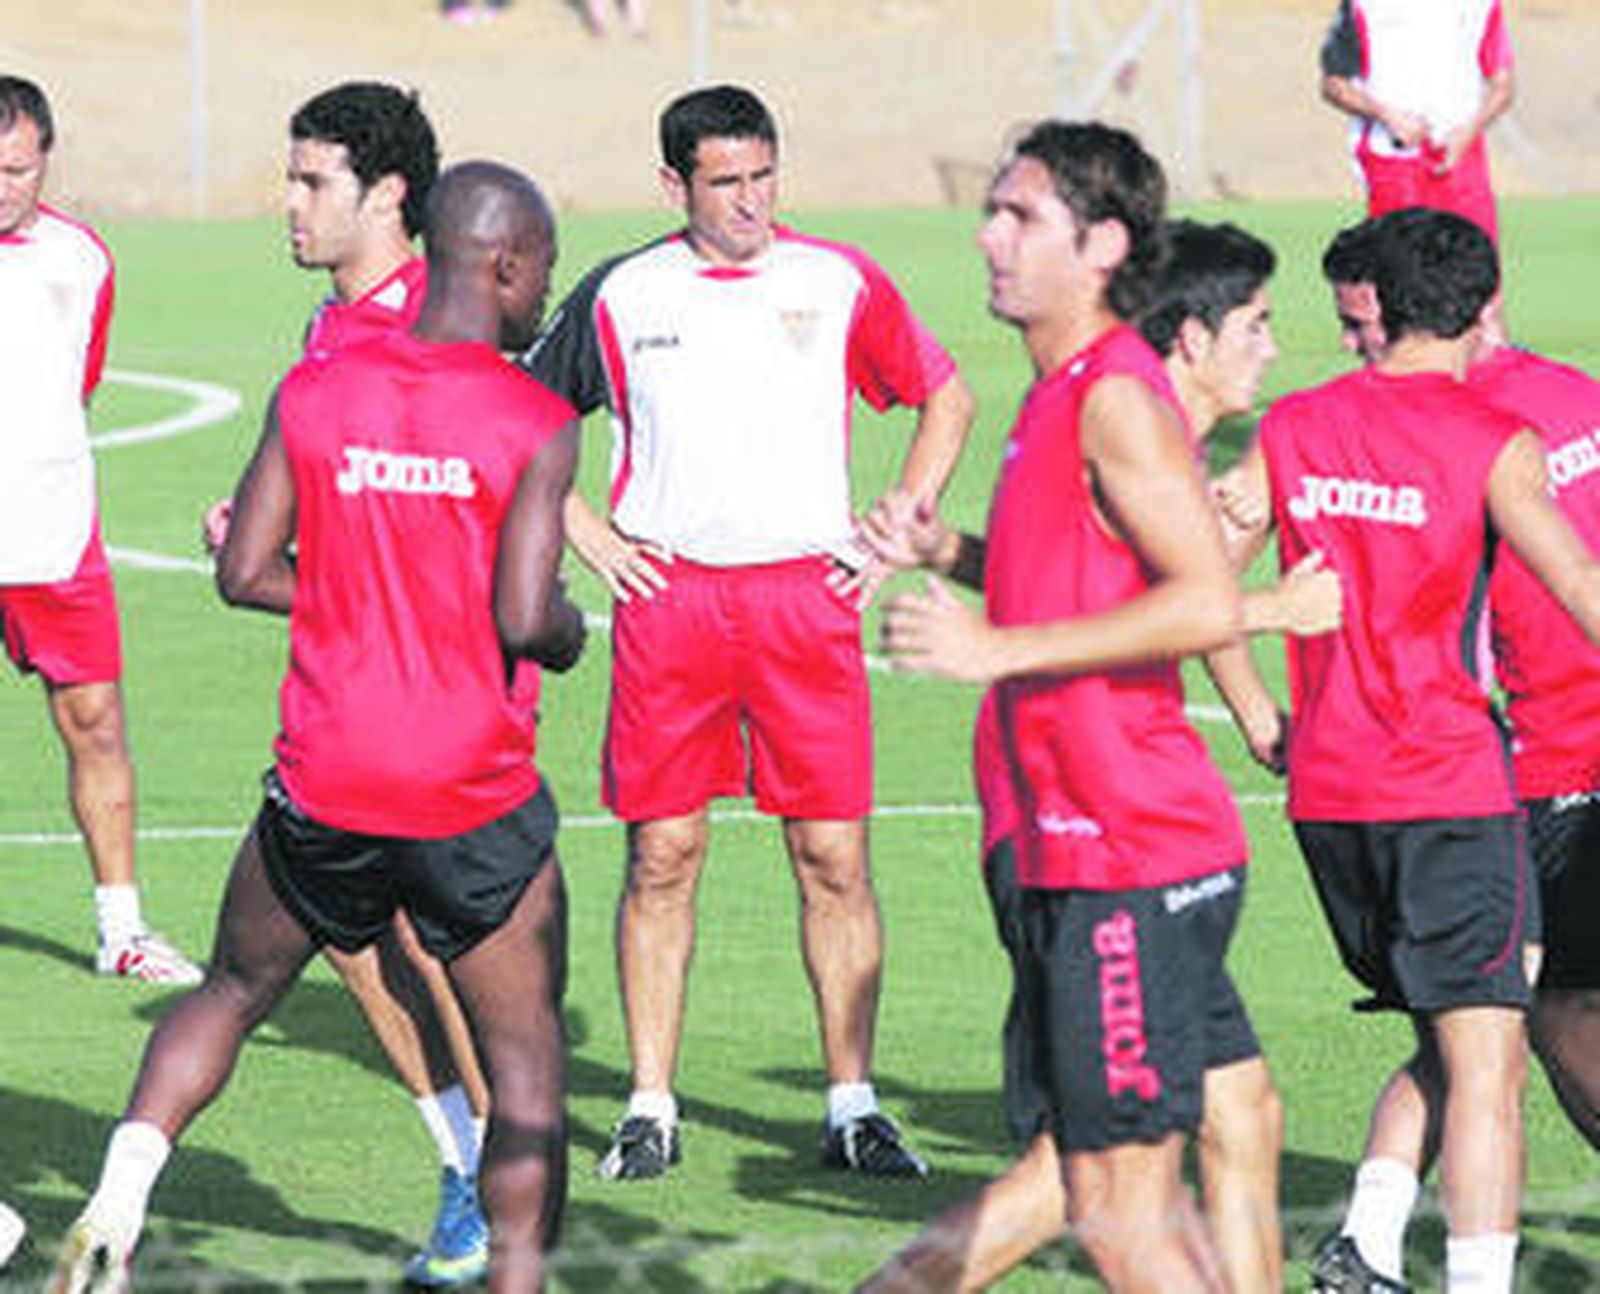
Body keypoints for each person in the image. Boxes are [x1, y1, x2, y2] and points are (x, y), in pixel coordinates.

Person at [48, 159, 583, 1294]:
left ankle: (118, 1201)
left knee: (233, 990)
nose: (547, 287)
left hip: (325, 779)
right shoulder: (534, 418)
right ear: (503, 264)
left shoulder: (317, 390)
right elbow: (523, 617)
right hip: (466, 790)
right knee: (528, 1060)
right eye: (543, 264)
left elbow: (245, 571)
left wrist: (352, 598)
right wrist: (571, 629)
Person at [856, 217, 1327, 1294]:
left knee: (1242, 1109)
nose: (1271, 348)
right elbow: (1187, 604)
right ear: (1192, 337)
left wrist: (944, 549)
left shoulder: (1107, 412)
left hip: (1141, 826)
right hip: (1086, 829)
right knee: (1086, 1183)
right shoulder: (1116, 414)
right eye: (1254, 324)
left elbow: (1066, 582)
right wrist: (1270, 607)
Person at [522, 82, 973, 1181]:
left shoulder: (836, 280)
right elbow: (519, 418)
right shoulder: (624, 291)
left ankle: (853, 1105)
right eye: (724, 181)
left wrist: (892, 530)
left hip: (806, 608)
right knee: (663, 853)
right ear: (672, 184)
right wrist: (586, 531)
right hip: (669, 606)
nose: (749, 200)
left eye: (763, 176)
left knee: (833, 856)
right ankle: (649, 1106)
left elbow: (946, 395)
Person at [1215, 207, 1600, 1294]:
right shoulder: (1495, 440)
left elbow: (1195, 581)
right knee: (1488, 1063)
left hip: (1330, 801)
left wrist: (1254, 713)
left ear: (1378, 309)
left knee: (1456, 1032)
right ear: (1481, 309)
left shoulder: (1292, 426)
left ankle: (1368, 1246)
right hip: (1452, 791)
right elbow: (1578, 583)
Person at [203, 81, 501, 1289]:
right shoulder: (333, 326)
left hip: (433, 701)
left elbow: (464, 527)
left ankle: (503, 1184)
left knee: (436, 950)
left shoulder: (431, 328)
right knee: (357, 938)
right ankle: (472, 1169)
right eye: (291, 175)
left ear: (387, 196)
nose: (288, 201)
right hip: (350, 692)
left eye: (311, 180)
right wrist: (264, 527)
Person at [0, 76, 201, 986]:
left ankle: (121, 929)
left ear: (46, 160)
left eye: (18, 169)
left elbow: (76, 385)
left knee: (95, 724)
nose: (3, 186)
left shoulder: (82, 261)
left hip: (51, 533)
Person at [1319, 0, 1515, 241]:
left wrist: (1466, 134)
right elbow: (1333, 85)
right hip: (1393, 163)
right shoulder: (1363, 5)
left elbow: (1503, 87)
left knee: (1476, 260)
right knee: (1401, 261)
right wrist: (1389, 117)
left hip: (1462, 164)